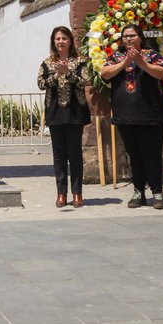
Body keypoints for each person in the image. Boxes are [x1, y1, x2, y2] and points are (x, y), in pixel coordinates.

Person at [100, 23, 163, 210]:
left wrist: (141, 63)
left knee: (152, 155)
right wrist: (125, 63)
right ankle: (138, 191)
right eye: (125, 36)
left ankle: (157, 192)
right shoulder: (116, 56)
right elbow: (104, 74)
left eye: (132, 35)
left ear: (140, 37)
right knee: (134, 155)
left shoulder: (152, 55)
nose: (128, 39)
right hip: (125, 116)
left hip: (151, 116)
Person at [38, 25, 91, 208]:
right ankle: (61, 193)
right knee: (59, 155)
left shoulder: (80, 61)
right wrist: (56, 75)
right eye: (57, 38)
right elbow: (41, 83)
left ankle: (77, 193)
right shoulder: (47, 63)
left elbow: (86, 80)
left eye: (64, 38)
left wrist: (68, 73)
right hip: (55, 112)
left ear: (70, 41)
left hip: (75, 112)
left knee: (74, 153)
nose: (61, 42)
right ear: (53, 41)